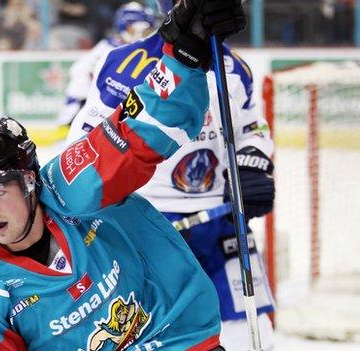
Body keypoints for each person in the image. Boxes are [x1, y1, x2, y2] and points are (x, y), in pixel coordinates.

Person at [0, 0, 247, 350]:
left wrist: (185, 56)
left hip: (175, 338)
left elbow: (140, 129)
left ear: (29, 181)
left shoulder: (76, 184)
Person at [65, 1, 276, 349]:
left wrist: (251, 165)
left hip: (220, 218)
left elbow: (253, 129)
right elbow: (87, 140)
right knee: (156, 332)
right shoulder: (124, 62)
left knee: (254, 335)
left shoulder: (236, 69)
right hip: (147, 222)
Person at [55, 2, 156, 131]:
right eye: (137, 29)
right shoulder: (109, 48)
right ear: (124, 26)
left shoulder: (139, 52)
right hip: (91, 113)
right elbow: (79, 71)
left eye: (147, 30)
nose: (143, 34)